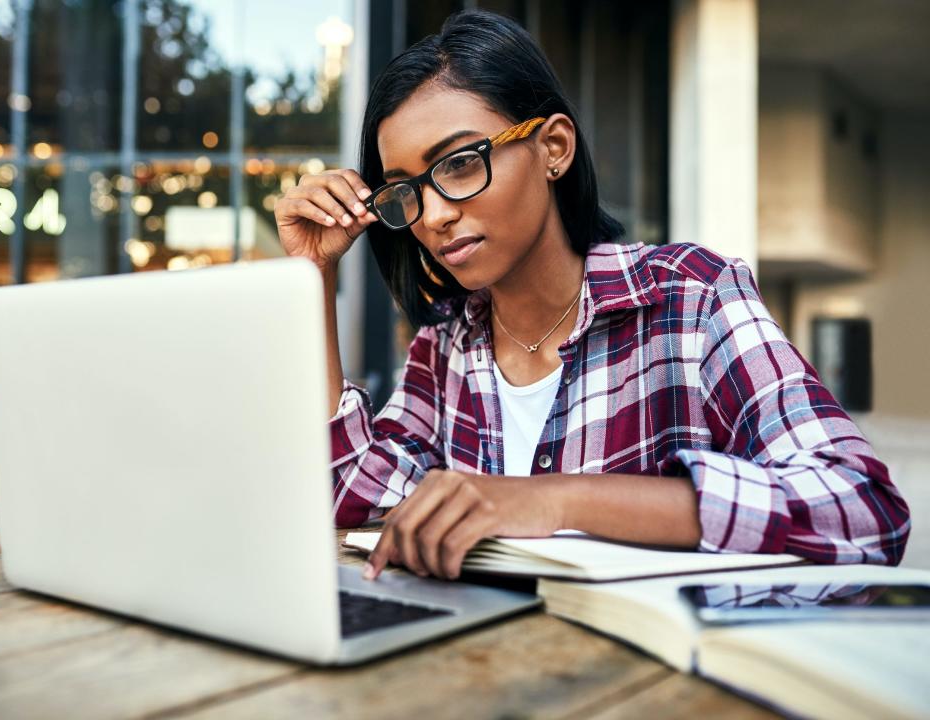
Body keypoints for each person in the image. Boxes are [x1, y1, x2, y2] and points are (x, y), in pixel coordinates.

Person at [274, 9, 910, 582]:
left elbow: (862, 508)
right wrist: (314, 277)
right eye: (406, 190)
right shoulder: (446, 346)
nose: (433, 215)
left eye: (461, 162)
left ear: (552, 148)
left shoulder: (690, 300)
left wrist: (556, 499)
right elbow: (351, 496)